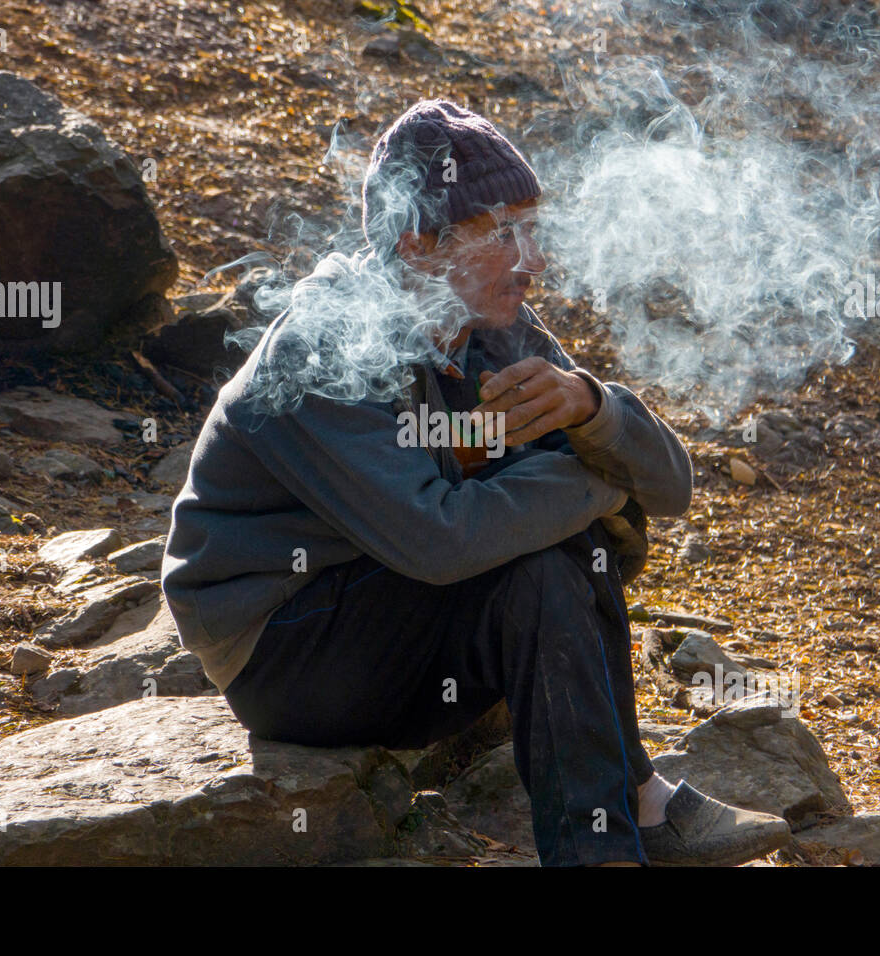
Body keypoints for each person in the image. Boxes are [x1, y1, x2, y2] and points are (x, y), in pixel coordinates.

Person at [162, 99, 790, 866]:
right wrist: (596, 485)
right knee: (542, 563)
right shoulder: (321, 351)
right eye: (503, 233)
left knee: (569, 549)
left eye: (534, 229)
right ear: (420, 243)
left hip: (395, 628)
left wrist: (595, 409)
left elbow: (673, 489)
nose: (534, 261)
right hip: (287, 652)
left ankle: (634, 801)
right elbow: (439, 541)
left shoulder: (492, 333)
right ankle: (617, 836)